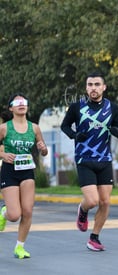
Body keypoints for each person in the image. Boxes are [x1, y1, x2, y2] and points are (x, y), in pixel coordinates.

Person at [60, 72, 118, 251]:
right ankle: (83, 209)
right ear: (86, 88)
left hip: (105, 159)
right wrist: (75, 135)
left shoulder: (112, 107)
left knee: (105, 202)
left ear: (103, 87)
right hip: (84, 159)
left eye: (97, 84)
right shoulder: (76, 107)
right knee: (93, 200)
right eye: (90, 84)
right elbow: (64, 126)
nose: (93, 88)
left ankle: (94, 238)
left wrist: (117, 131)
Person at [0, 94, 48, 259]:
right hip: (9, 171)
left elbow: (44, 150)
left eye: (24, 102)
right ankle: (4, 213)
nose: (21, 105)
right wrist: (3, 155)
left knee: (27, 211)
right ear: (11, 108)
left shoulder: (34, 128)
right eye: (17, 102)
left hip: (27, 171)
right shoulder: (4, 128)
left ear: (27, 106)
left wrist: (43, 148)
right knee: (15, 215)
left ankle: (20, 247)